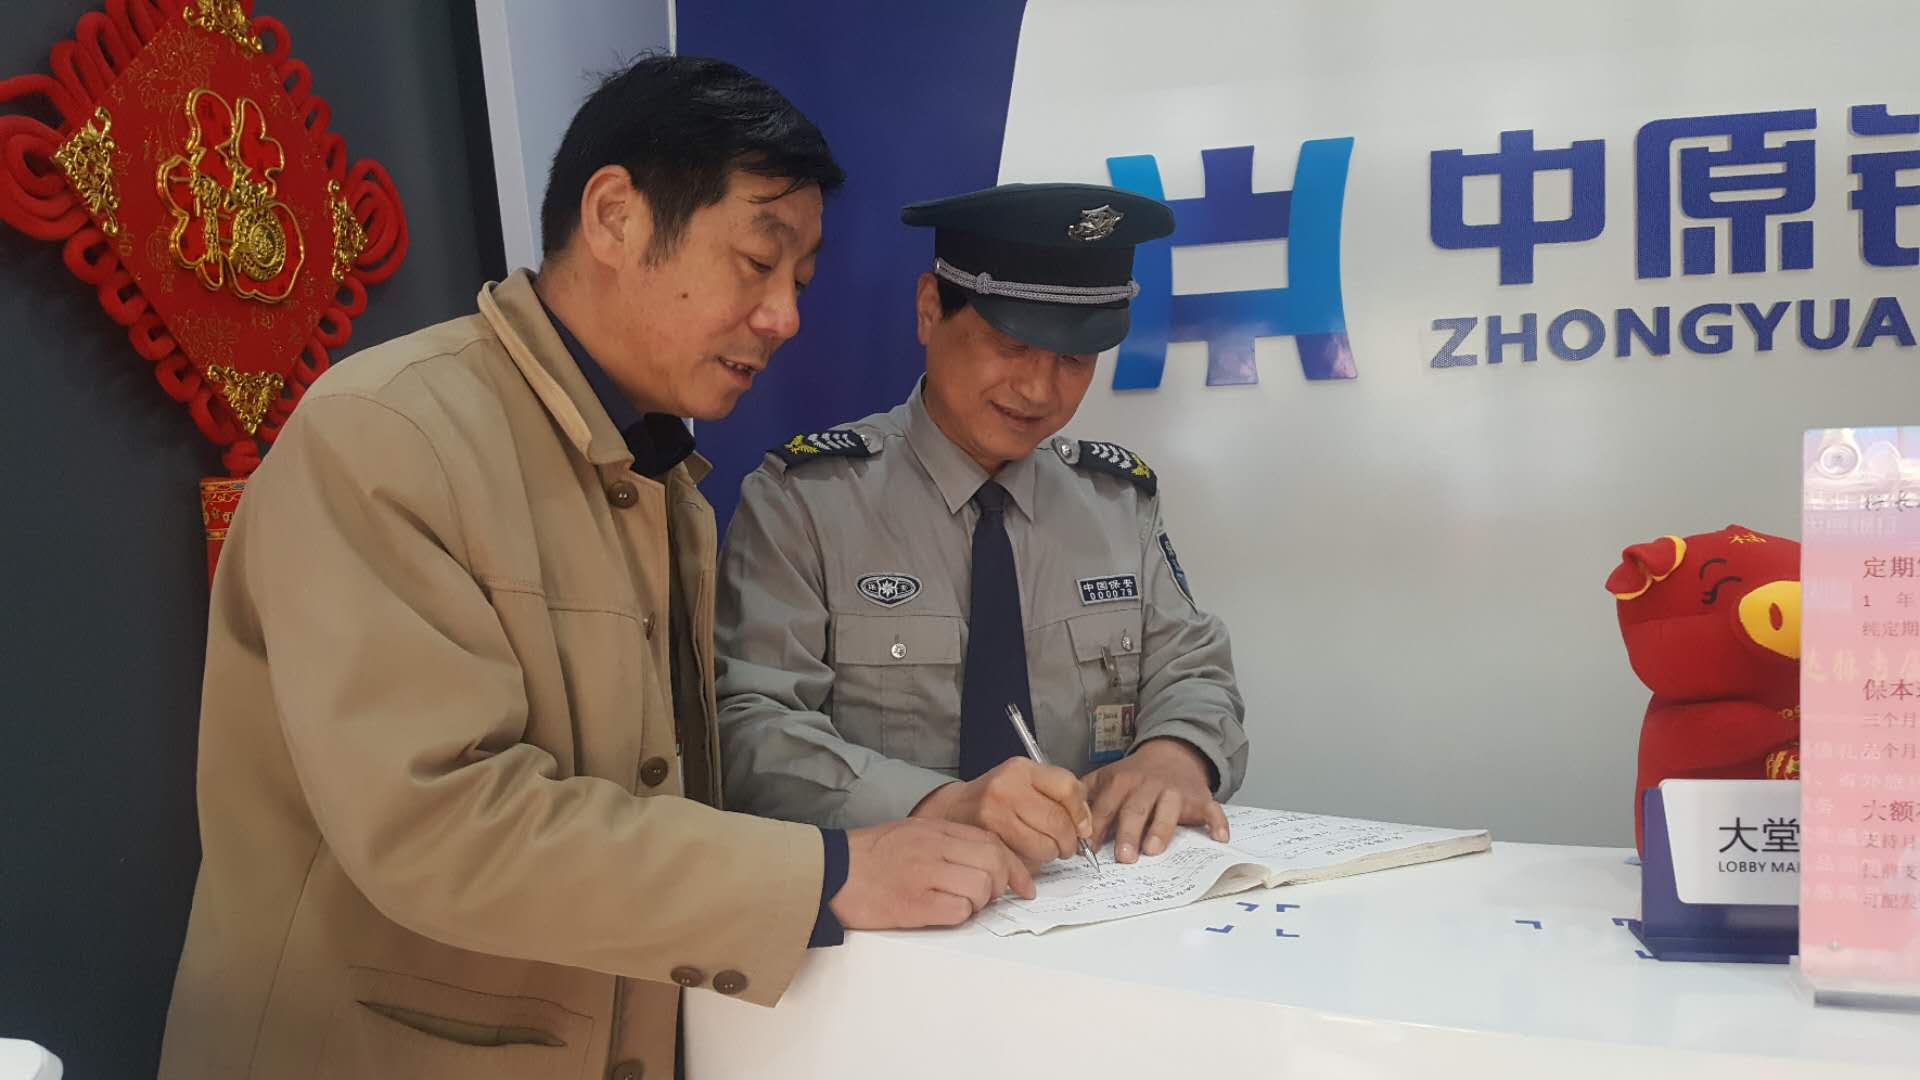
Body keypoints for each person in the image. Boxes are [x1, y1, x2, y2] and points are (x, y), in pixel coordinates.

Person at [158, 56, 1030, 1080]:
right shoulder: (388, 434)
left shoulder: (662, 480)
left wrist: (910, 812)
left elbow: (658, 794)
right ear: (614, 215)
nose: (785, 317)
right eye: (758, 260)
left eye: (799, 280)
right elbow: (440, 825)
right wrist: (827, 873)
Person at [715, 183, 1249, 872]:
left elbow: (1194, 668)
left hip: (1088, 897)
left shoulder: (1117, 503)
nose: (1040, 389)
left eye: (1074, 359)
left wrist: (1176, 754)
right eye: (1012, 344)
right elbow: (749, 730)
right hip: (891, 912)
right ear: (929, 311)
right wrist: (938, 804)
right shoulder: (807, 505)